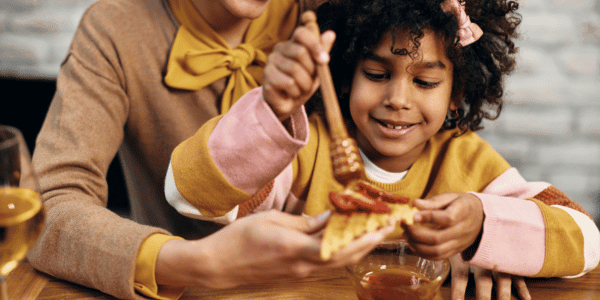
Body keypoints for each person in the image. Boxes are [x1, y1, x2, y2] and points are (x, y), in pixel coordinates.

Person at [164, 0, 600, 299]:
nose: (398, 98)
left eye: (425, 82)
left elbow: (585, 239)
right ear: (345, 76)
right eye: (375, 73)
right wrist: (271, 109)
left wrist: (484, 226)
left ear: (456, 92)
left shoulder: (467, 163)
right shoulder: (302, 149)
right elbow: (189, 196)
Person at [27, 0, 394, 299]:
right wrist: (199, 262)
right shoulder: (116, 29)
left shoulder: (332, 12)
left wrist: (452, 236)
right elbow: (47, 210)